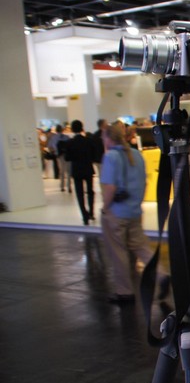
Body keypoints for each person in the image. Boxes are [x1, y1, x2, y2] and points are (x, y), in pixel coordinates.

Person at [100, 122, 169, 304]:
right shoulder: (137, 154)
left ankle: (124, 292)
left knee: (119, 252)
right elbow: (145, 183)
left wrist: (105, 208)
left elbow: (110, 187)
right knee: (141, 247)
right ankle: (161, 274)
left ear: (108, 138)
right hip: (134, 211)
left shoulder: (110, 157)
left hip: (116, 213)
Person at [63, 120, 97, 225]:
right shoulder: (88, 140)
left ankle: (84, 215)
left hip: (77, 170)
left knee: (79, 193)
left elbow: (67, 157)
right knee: (90, 191)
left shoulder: (70, 142)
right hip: (88, 168)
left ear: (73, 129)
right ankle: (91, 212)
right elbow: (93, 154)